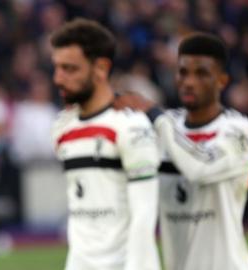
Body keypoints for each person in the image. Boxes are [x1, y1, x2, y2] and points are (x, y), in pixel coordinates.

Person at [114, 33, 248, 270]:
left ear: (222, 80)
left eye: (201, 73)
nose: (189, 81)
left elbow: (200, 168)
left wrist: (156, 117)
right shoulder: (165, 125)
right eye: (183, 72)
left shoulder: (238, 131)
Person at [50, 18, 161, 270]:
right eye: (57, 68)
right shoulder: (61, 128)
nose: (58, 78)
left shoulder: (132, 127)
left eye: (70, 69)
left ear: (101, 68)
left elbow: (144, 216)